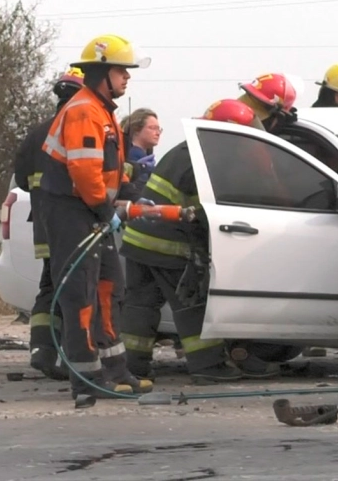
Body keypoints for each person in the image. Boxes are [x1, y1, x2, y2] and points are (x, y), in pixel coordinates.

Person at [119, 98, 280, 384]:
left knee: (140, 306)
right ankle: (208, 364)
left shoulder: (186, 150)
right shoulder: (206, 160)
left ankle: (133, 366)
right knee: (190, 302)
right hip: (168, 244)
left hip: (138, 239)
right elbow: (210, 209)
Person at [39, 33, 154, 398]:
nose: (128, 78)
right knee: (80, 296)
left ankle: (116, 371)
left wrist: (128, 197)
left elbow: (110, 171)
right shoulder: (84, 111)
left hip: (90, 212)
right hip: (74, 212)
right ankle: (87, 380)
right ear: (102, 73)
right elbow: (86, 173)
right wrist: (106, 210)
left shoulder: (102, 113)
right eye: (122, 71)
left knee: (109, 290)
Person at [14, 68, 84, 377]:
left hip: (43, 224)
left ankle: (42, 349)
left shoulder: (35, 133)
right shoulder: (78, 128)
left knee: (49, 285)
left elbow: (23, 181)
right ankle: (73, 354)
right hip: (73, 222)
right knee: (75, 288)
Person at [120, 108, 161, 192]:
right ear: (136, 130)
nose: (158, 133)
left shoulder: (145, 156)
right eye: (152, 128)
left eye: (159, 129)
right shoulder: (132, 155)